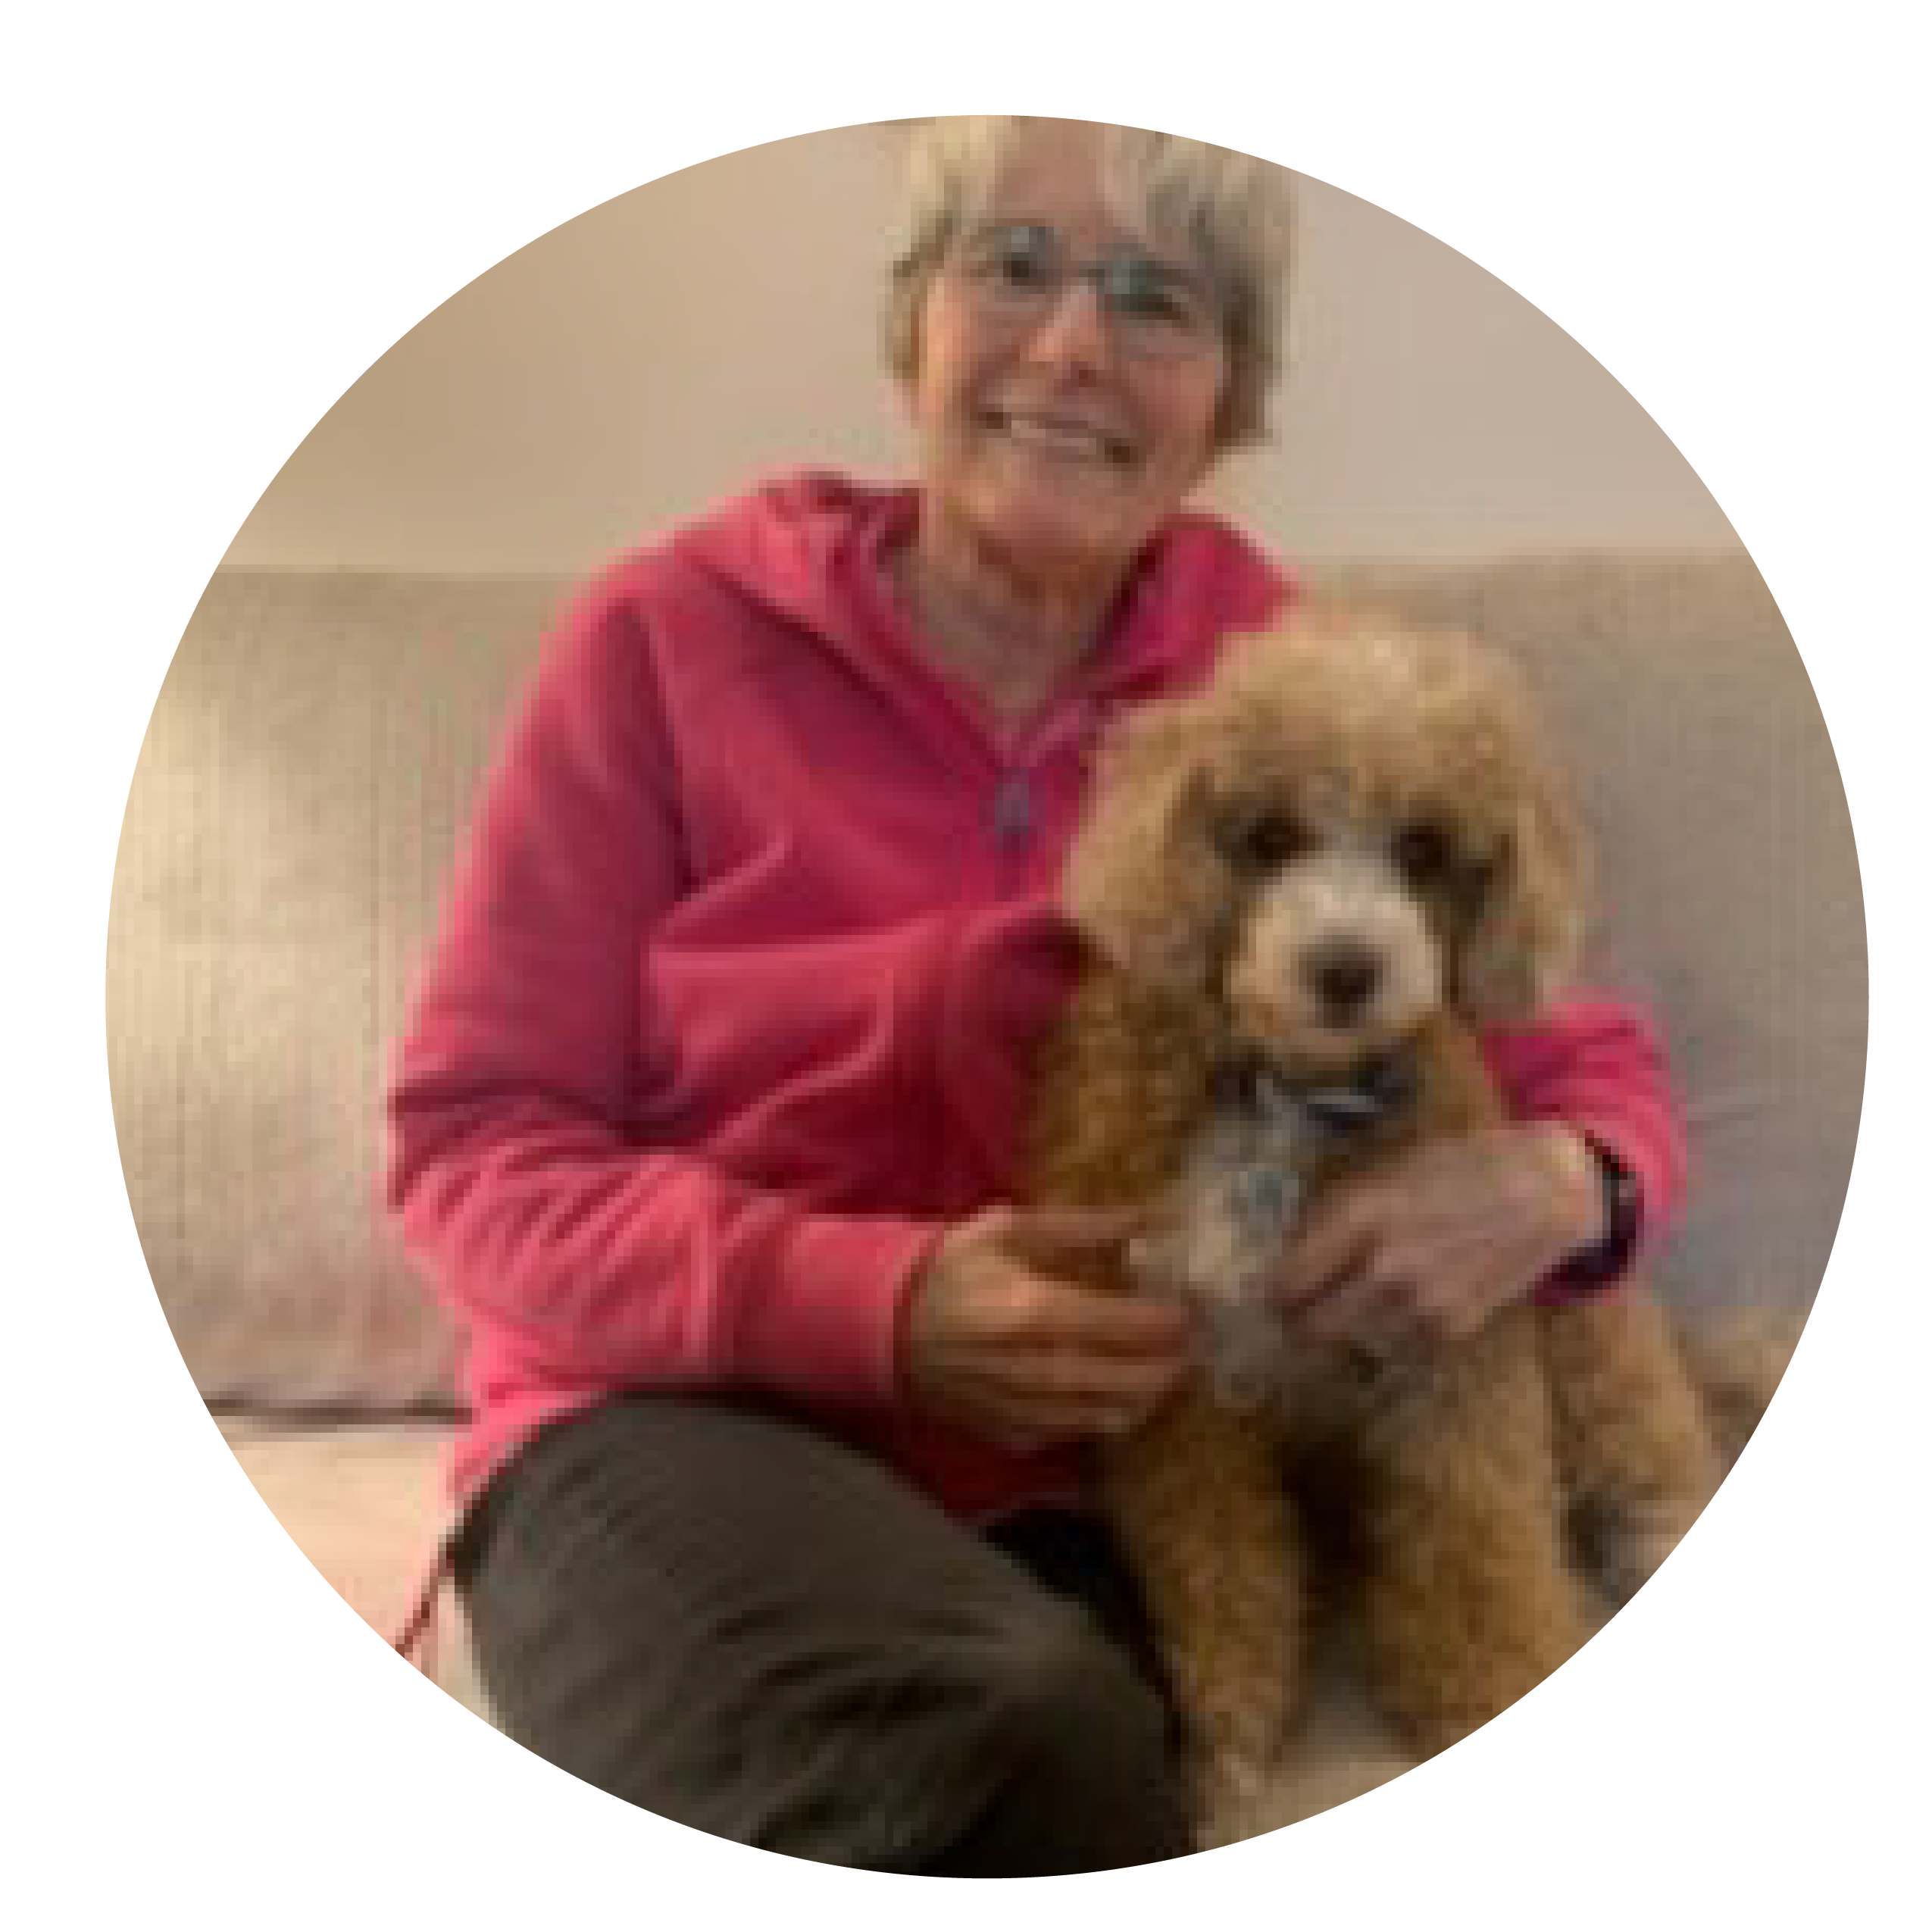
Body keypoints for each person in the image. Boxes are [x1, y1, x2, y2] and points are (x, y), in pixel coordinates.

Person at [386, 115, 1684, 1876]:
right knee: (1004, 1747)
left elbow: (1562, 1041)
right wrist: (874, 1303)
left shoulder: (1276, 676)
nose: (1076, 343)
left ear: (1225, 400)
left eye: (1160, 300)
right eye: (1013, 266)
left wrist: (1564, 1181)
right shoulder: (664, 639)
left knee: (1113, 1768)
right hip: (676, 1417)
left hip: (1079, 1476)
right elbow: (469, 1155)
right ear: (911, 322)